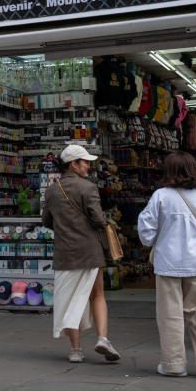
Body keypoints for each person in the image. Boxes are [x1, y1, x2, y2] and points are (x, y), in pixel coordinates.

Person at [138, 152, 196, 378]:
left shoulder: (161, 196)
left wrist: (158, 238)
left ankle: (174, 364)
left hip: (168, 263)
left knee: (170, 313)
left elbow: (146, 233)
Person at [42, 144, 120, 364]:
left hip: (65, 252)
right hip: (89, 251)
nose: (88, 166)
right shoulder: (88, 188)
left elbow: (46, 221)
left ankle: (75, 350)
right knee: (98, 295)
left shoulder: (51, 190)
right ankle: (103, 338)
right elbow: (98, 219)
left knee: (68, 301)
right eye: (84, 162)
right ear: (73, 164)